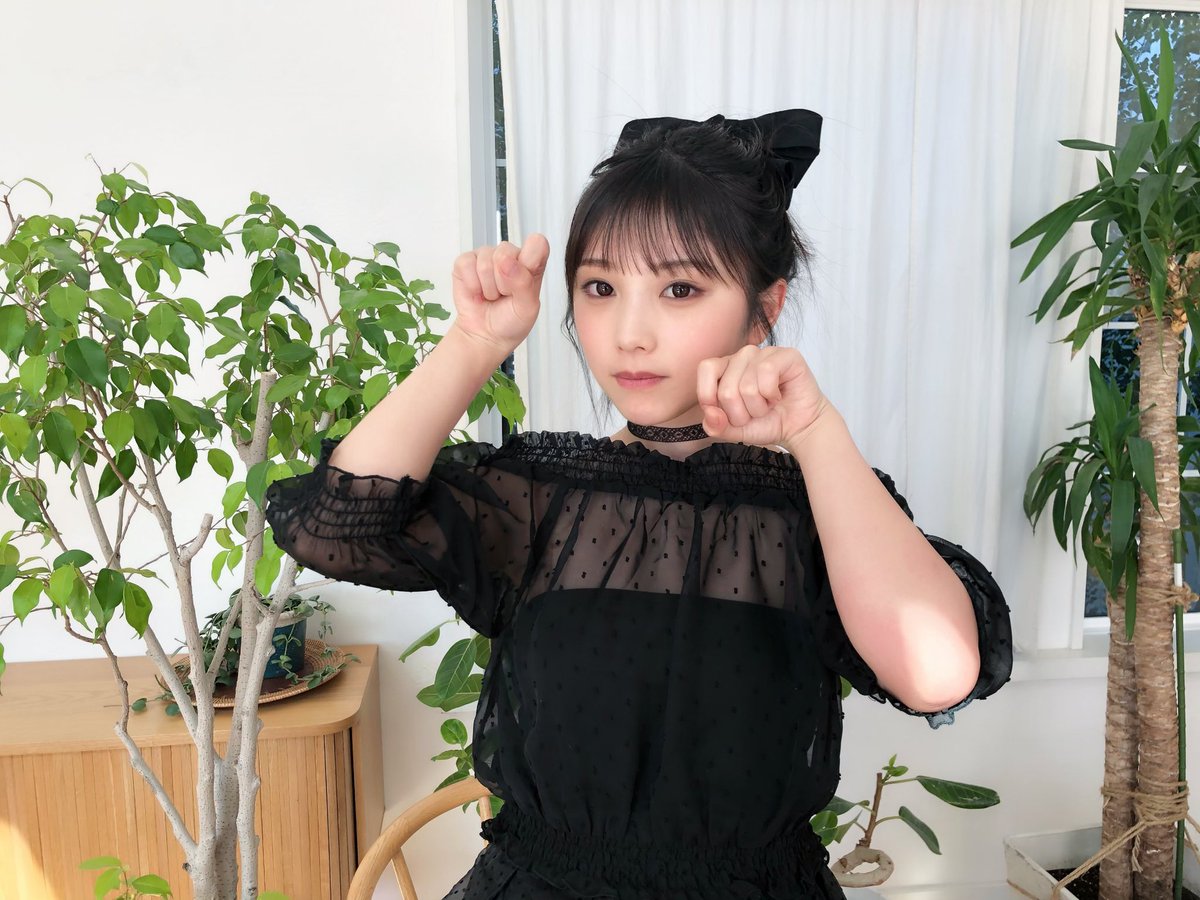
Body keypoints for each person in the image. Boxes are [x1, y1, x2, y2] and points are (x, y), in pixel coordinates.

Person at [262, 109, 1014, 900]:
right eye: (600, 288)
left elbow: (936, 675)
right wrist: (475, 342)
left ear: (766, 307)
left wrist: (816, 432)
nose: (629, 333)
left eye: (679, 288)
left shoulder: (817, 510)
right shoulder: (538, 500)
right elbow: (333, 527)